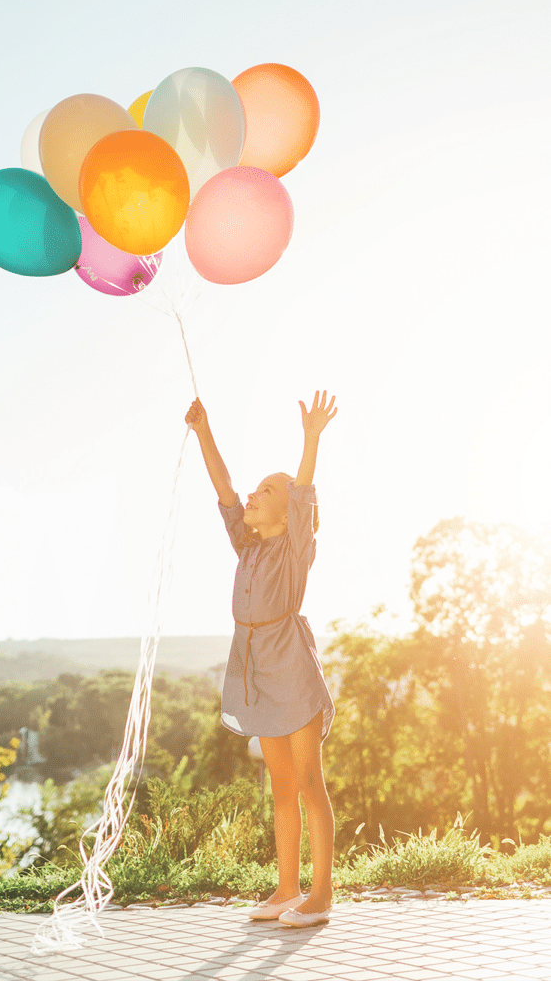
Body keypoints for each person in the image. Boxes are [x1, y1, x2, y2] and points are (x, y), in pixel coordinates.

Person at [185, 391, 337, 927]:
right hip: (255, 671)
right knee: (281, 787)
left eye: (265, 491)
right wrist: (204, 430)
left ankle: (321, 895)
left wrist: (311, 439)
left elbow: (302, 495)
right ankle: (286, 889)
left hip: (291, 668)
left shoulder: (295, 547)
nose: (253, 494)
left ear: (286, 510)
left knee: (309, 781)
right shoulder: (246, 545)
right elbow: (223, 488)